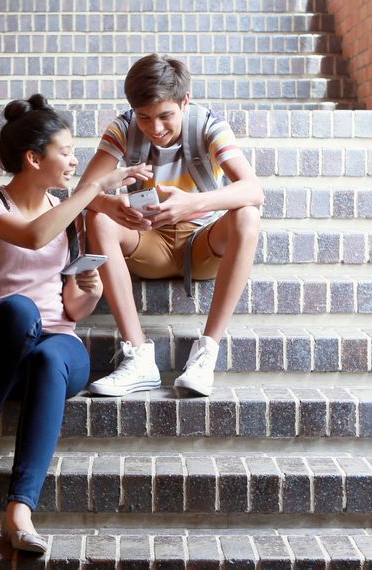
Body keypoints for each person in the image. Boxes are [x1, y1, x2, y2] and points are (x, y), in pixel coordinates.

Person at [0, 94, 150, 554]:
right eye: (66, 151)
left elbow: (71, 310)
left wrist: (87, 290)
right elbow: (32, 236)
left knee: (53, 351)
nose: (74, 160)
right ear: (33, 158)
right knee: (18, 310)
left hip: (56, 349)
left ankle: (19, 510)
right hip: (0, 351)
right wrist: (94, 192)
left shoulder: (67, 218)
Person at [81, 54, 263, 398]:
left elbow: (254, 189)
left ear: (185, 101)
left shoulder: (209, 126)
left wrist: (192, 203)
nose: (155, 128)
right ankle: (138, 358)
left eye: (166, 115)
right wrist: (111, 203)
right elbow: (84, 192)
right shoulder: (123, 128)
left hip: (203, 243)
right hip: (148, 243)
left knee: (248, 214)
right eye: (145, 117)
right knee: (97, 216)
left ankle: (206, 353)